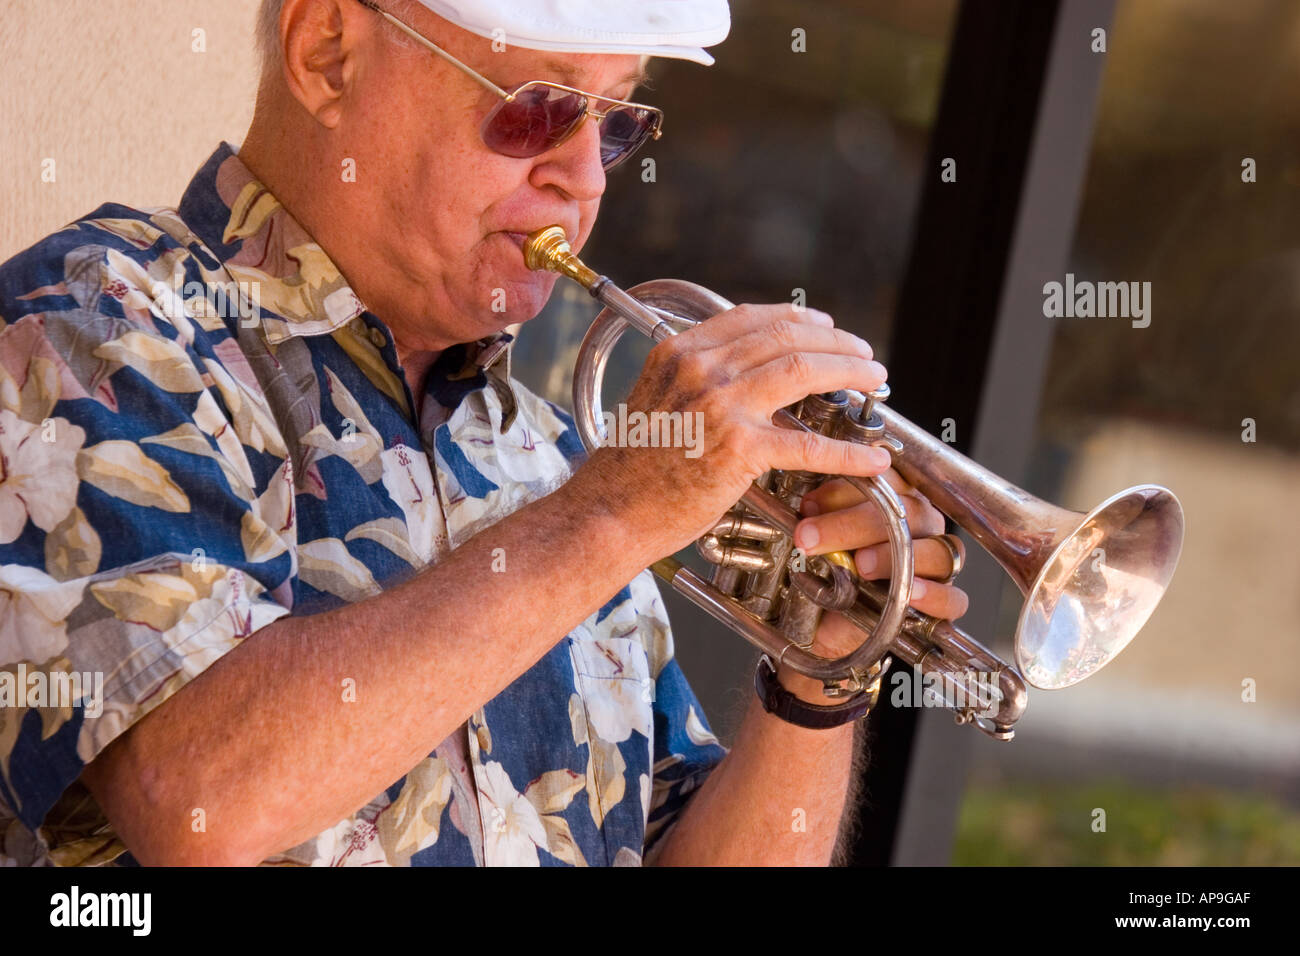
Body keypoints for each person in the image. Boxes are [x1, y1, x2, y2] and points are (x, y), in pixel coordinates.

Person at [0, 0, 966, 866]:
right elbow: (199, 806)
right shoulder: (92, 321)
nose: (583, 178)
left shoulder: (558, 457)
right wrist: (615, 515)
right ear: (327, 53)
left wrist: (819, 668)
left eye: (618, 121)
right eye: (538, 107)